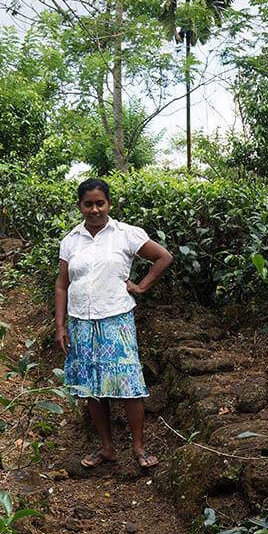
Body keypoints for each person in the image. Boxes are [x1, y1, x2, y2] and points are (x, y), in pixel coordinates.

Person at [54, 177, 172, 469]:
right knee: (92, 386)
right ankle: (107, 448)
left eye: (100, 203)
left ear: (108, 204)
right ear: (80, 206)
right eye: (88, 204)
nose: (94, 209)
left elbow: (163, 257)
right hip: (81, 322)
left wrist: (141, 287)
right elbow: (61, 285)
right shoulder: (70, 241)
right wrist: (60, 326)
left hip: (116, 319)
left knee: (129, 384)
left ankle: (139, 448)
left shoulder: (126, 234)